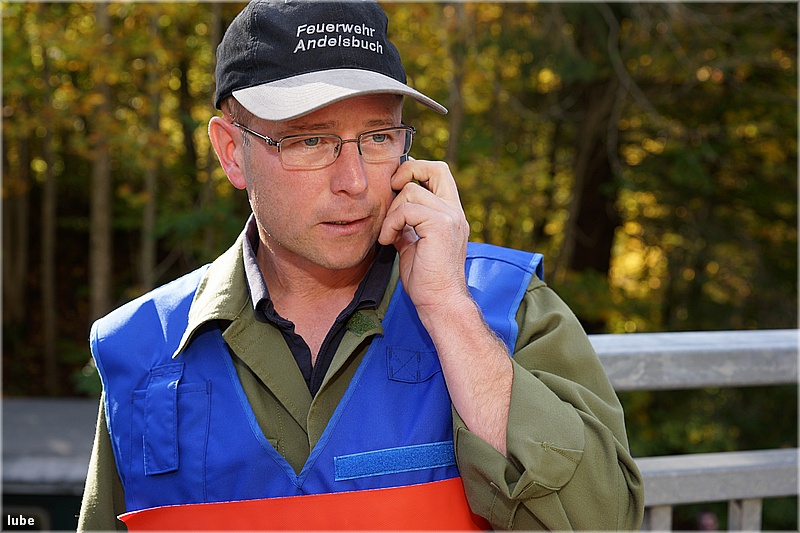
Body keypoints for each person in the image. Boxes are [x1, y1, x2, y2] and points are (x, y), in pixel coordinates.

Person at [78, 0, 644, 530]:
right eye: (309, 142)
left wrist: (450, 311)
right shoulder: (141, 351)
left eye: (377, 137)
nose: (353, 181)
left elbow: (605, 521)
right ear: (232, 152)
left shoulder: (505, 308)